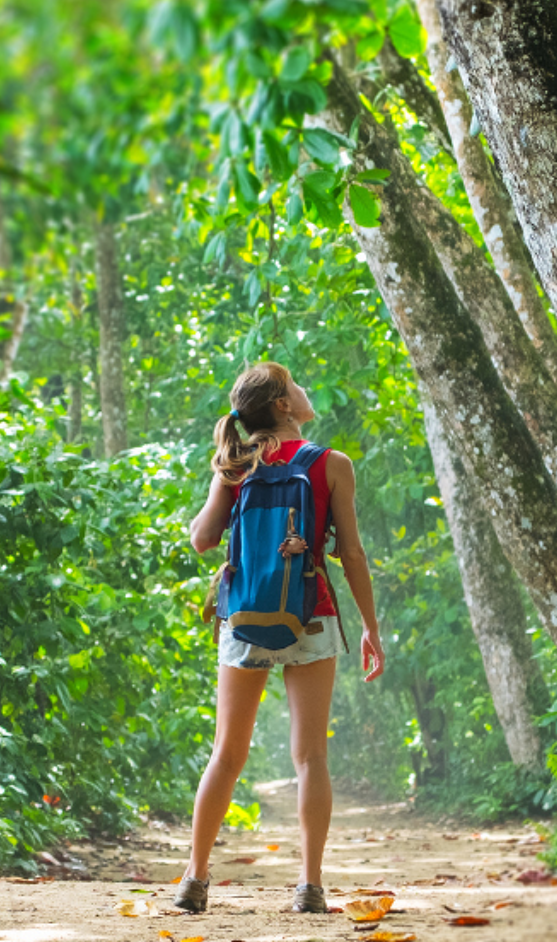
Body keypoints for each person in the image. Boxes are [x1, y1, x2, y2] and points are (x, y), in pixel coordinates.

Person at [174, 362, 385, 915]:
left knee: (226, 754)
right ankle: (309, 885)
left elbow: (202, 539)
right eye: (295, 385)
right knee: (310, 756)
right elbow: (352, 553)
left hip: (244, 617)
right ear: (285, 405)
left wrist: (218, 489)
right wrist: (370, 627)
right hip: (311, 615)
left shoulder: (236, 463)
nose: (304, 389)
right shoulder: (331, 464)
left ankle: (195, 878)